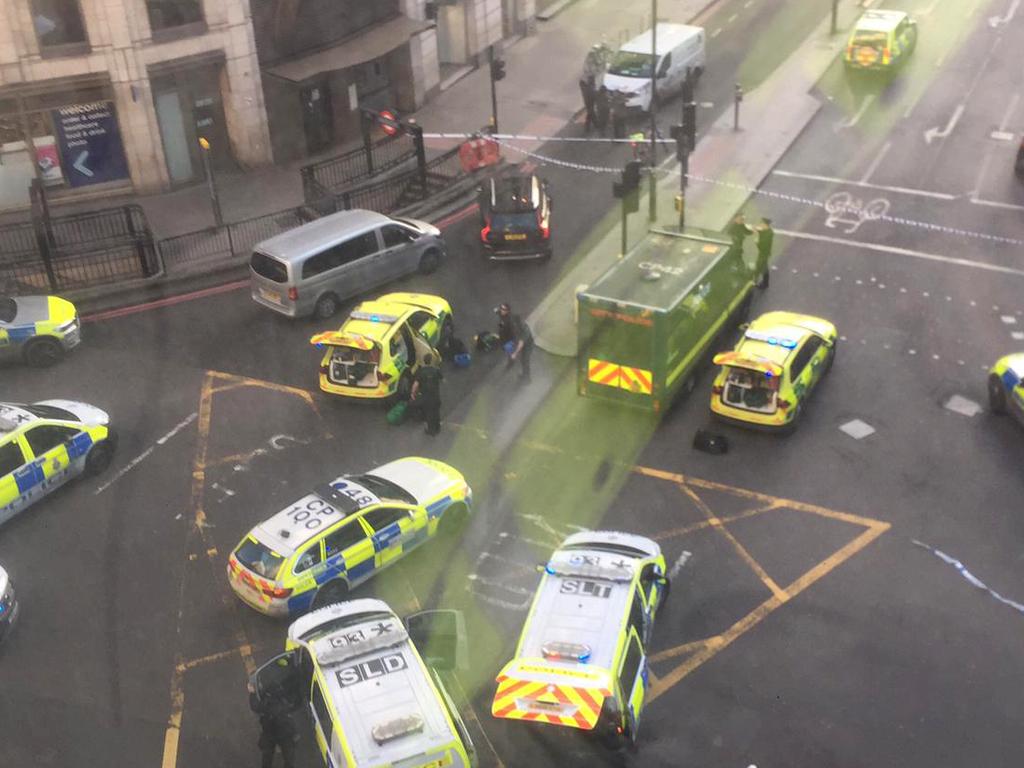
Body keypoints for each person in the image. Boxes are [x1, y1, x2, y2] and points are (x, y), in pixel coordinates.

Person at [253, 685, 298, 768]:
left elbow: (255, 707)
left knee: (268, 756)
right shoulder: (283, 702)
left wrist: (252, 694)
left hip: (272, 733)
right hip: (283, 733)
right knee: (288, 757)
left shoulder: (266, 703)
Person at [496, 303, 534, 381]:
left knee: (524, 360)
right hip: (515, 339)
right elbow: (498, 312)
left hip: (527, 344)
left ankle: (527, 378)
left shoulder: (524, 332)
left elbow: (521, 344)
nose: (501, 310)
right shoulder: (508, 318)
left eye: (503, 309)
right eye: (501, 309)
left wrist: (515, 354)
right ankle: (512, 362)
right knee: (509, 349)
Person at [411, 353, 443, 435]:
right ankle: (438, 427)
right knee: (436, 411)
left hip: (426, 397)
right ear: (431, 361)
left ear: (424, 362)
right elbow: (443, 379)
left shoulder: (421, 372)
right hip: (435, 395)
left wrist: (413, 393)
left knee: (429, 413)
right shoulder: (436, 370)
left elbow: (415, 385)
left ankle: (430, 430)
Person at [754, 217, 774, 289]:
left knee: (758, 267)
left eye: (761, 223)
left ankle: (754, 282)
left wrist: (757, 242)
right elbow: (763, 232)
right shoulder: (769, 231)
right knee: (764, 268)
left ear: (765, 224)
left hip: (764, 253)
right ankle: (765, 283)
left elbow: (763, 244)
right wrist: (758, 231)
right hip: (764, 253)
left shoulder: (769, 233)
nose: (760, 225)